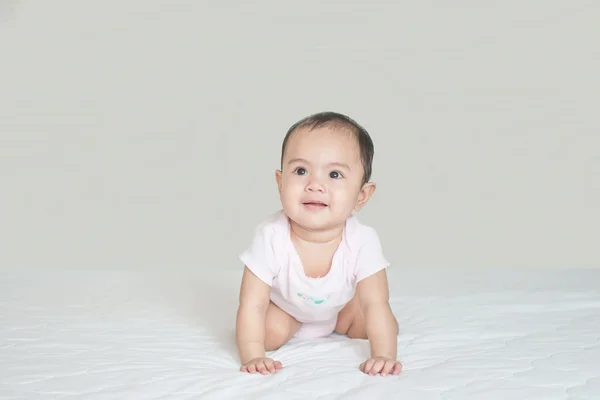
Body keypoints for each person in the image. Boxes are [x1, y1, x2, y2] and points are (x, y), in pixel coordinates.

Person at [235, 111, 402, 376]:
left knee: (374, 321)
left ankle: (346, 324)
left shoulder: (363, 239)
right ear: (280, 183)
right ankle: (291, 328)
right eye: (301, 171)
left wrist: (384, 355)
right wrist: (253, 356)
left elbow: (376, 303)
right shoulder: (269, 236)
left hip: (341, 309)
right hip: (287, 311)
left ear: (362, 195)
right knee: (266, 333)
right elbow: (252, 303)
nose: (315, 185)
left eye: (335, 175)